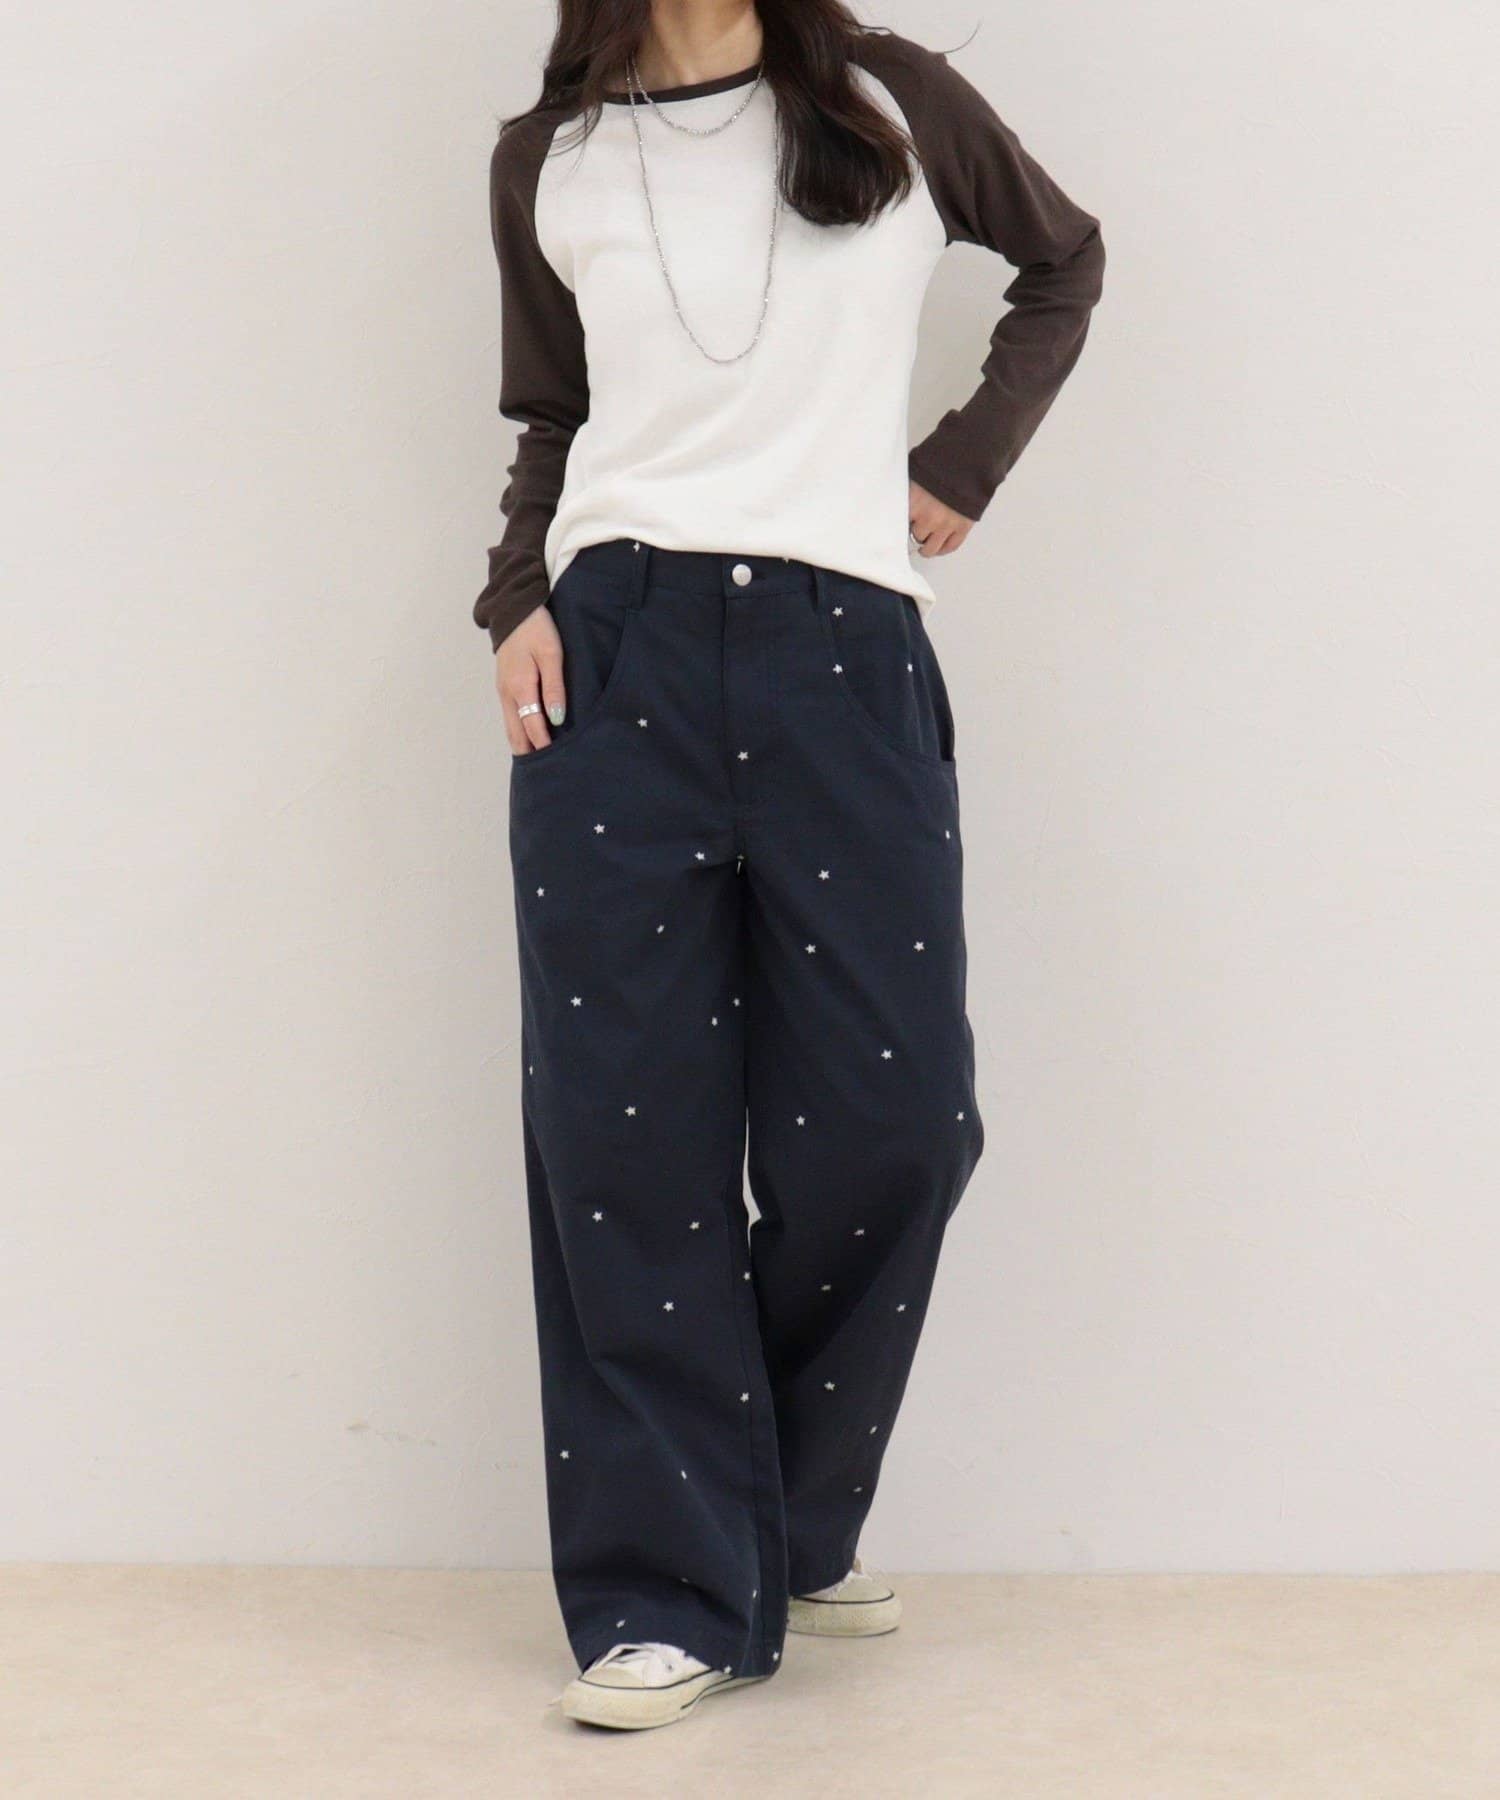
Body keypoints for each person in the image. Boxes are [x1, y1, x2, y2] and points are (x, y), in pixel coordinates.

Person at [473, 0, 1103, 1731]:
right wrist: (516, 596)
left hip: (844, 645)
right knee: (624, 1137)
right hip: (616, 652)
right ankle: (663, 1591)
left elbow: (1064, 261)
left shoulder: (890, 96)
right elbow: (552, 409)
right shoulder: (549, 155)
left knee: (903, 1117)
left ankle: (779, 1518)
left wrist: (965, 460)